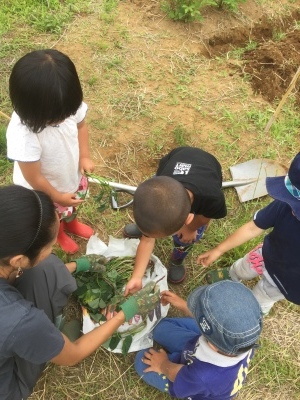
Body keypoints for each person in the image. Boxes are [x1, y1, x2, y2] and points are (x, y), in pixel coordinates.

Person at [0, 185, 160, 400]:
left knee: (46, 267)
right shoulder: (20, 320)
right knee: (45, 274)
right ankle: (44, 346)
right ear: (17, 260)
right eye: (51, 244)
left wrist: (78, 265)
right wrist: (127, 311)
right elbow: (72, 355)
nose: (53, 247)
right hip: (7, 385)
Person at [6, 49, 95, 254]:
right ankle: (59, 234)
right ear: (32, 112)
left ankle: (72, 223)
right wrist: (56, 196)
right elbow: (35, 178)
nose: (66, 118)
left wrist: (84, 156)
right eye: (58, 117)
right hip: (45, 189)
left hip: (69, 174)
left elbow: (81, 126)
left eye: (69, 113)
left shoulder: (65, 104)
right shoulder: (24, 135)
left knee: (72, 204)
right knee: (53, 216)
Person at [197, 152, 300, 315]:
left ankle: (249, 313)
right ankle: (232, 275)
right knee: (243, 268)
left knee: (260, 298)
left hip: (287, 282)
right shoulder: (285, 205)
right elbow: (253, 228)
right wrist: (218, 250)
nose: (293, 210)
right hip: (266, 254)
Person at [135, 280, 263, 400]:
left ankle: (172, 361)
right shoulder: (244, 337)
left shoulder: (205, 376)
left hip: (185, 379)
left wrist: (162, 365)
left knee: (141, 360)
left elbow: (178, 376)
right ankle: (182, 351)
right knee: (159, 328)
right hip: (197, 349)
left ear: (212, 342)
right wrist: (183, 305)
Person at [123, 146, 227, 289]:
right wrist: (137, 277)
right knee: (153, 219)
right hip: (176, 158)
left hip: (207, 168)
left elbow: (204, 218)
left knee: (185, 238)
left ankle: (177, 260)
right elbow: (148, 240)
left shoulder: (212, 198)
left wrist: (191, 228)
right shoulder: (156, 187)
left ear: (187, 218)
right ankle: (147, 227)